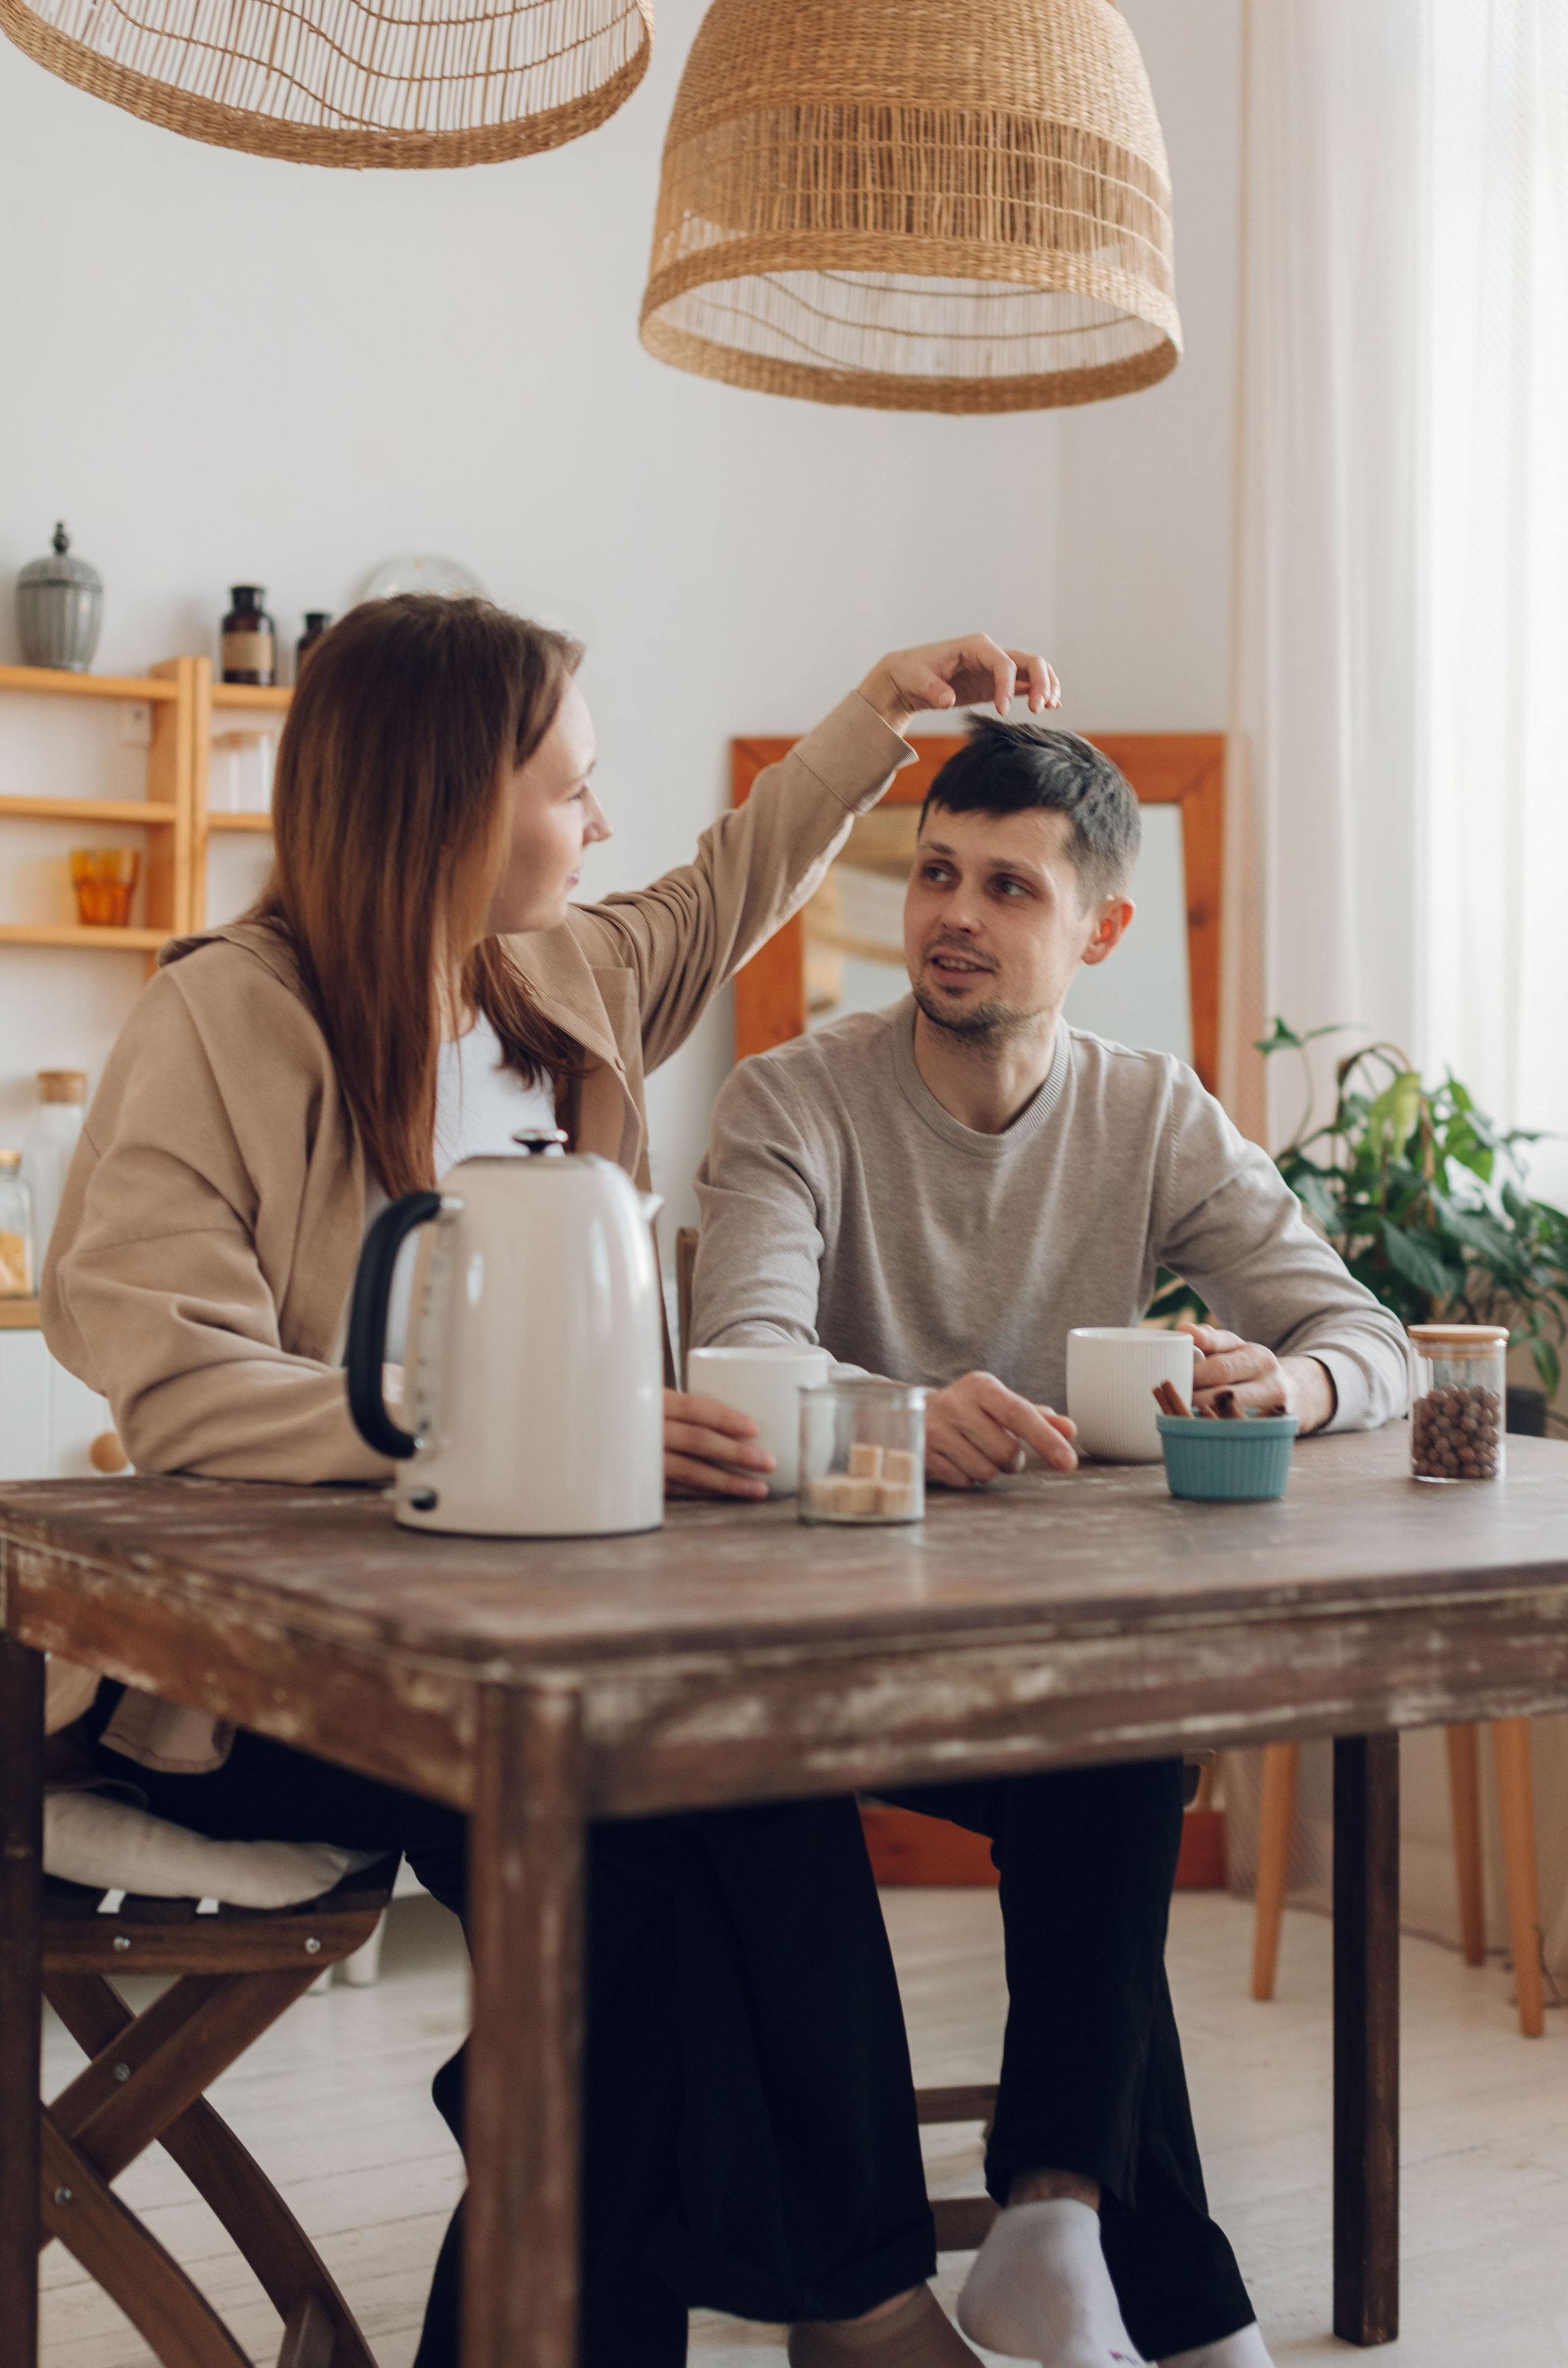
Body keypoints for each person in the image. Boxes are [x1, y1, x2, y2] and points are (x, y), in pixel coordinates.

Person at [41, 599, 1062, 2368]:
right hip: (296, 1678)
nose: (601, 821)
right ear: (452, 803)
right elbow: (171, 1369)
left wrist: (871, 719)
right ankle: (861, 2307)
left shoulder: (564, 983)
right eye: (572, 790)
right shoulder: (220, 1020)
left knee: (759, 1772)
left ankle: (855, 2298)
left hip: (566, 1639)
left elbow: (731, 881)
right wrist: (516, 1421)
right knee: (625, 1919)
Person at [691, 717, 1410, 2368]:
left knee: (1119, 1716)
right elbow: (742, 1356)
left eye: (1008, 886)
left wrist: (1284, 1381)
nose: (953, 910)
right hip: (804, 1671)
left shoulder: (1150, 1113)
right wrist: (890, 1412)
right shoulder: (790, 1098)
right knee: (1117, 1744)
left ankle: (1059, 2222)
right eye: (936, 871)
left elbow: (1358, 1330)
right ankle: (1143, 2277)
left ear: (1099, 931)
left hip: (1034, 1672)